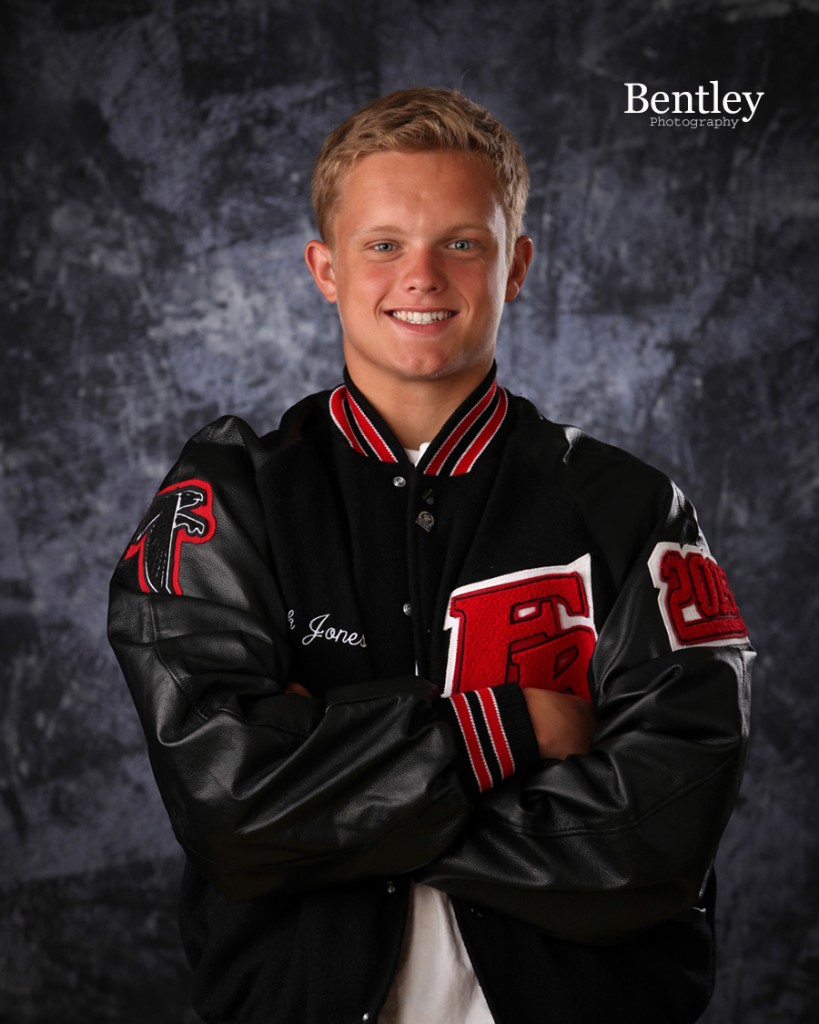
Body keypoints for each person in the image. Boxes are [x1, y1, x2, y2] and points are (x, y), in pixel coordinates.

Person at [108, 87, 753, 1024]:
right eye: (382, 245)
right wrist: (514, 731)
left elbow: (659, 835)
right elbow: (228, 808)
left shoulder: (630, 509)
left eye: (461, 241)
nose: (421, 275)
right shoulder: (231, 496)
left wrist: (328, 790)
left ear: (516, 265)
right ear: (325, 269)